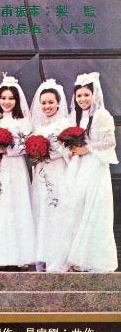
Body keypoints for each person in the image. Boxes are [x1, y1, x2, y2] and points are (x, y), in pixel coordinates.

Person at [65, 72, 118, 272]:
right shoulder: (76, 116)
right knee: (78, 208)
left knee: (95, 209)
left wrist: (87, 149)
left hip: (95, 166)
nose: (82, 99)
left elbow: (109, 142)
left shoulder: (103, 115)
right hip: (79, 167)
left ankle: (96, 260)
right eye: (79, 95)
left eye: (86, 95)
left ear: (94, 95)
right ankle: (78, 257)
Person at [0, 74, 35, 270]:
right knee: (0, 205)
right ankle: (0, 256)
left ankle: (21, 256)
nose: (6, 102)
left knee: (17, 204)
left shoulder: (24, 122)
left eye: (11, 98)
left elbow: (26, 146)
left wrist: (7, 150)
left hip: (16, 167)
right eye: (3, 98)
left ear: (17, 100)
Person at [29, 79, 71, 272]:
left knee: (57, 210)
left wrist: (49, 154)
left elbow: (67, 149)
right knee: (42, 211)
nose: (47, 106)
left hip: (57, 170)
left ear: (58, 103)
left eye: (50, 102)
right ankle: (44, 258)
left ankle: (59, 259)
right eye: (44, 103)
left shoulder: (64, 124)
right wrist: (35, 154)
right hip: (41, 172)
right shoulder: (38, 127)